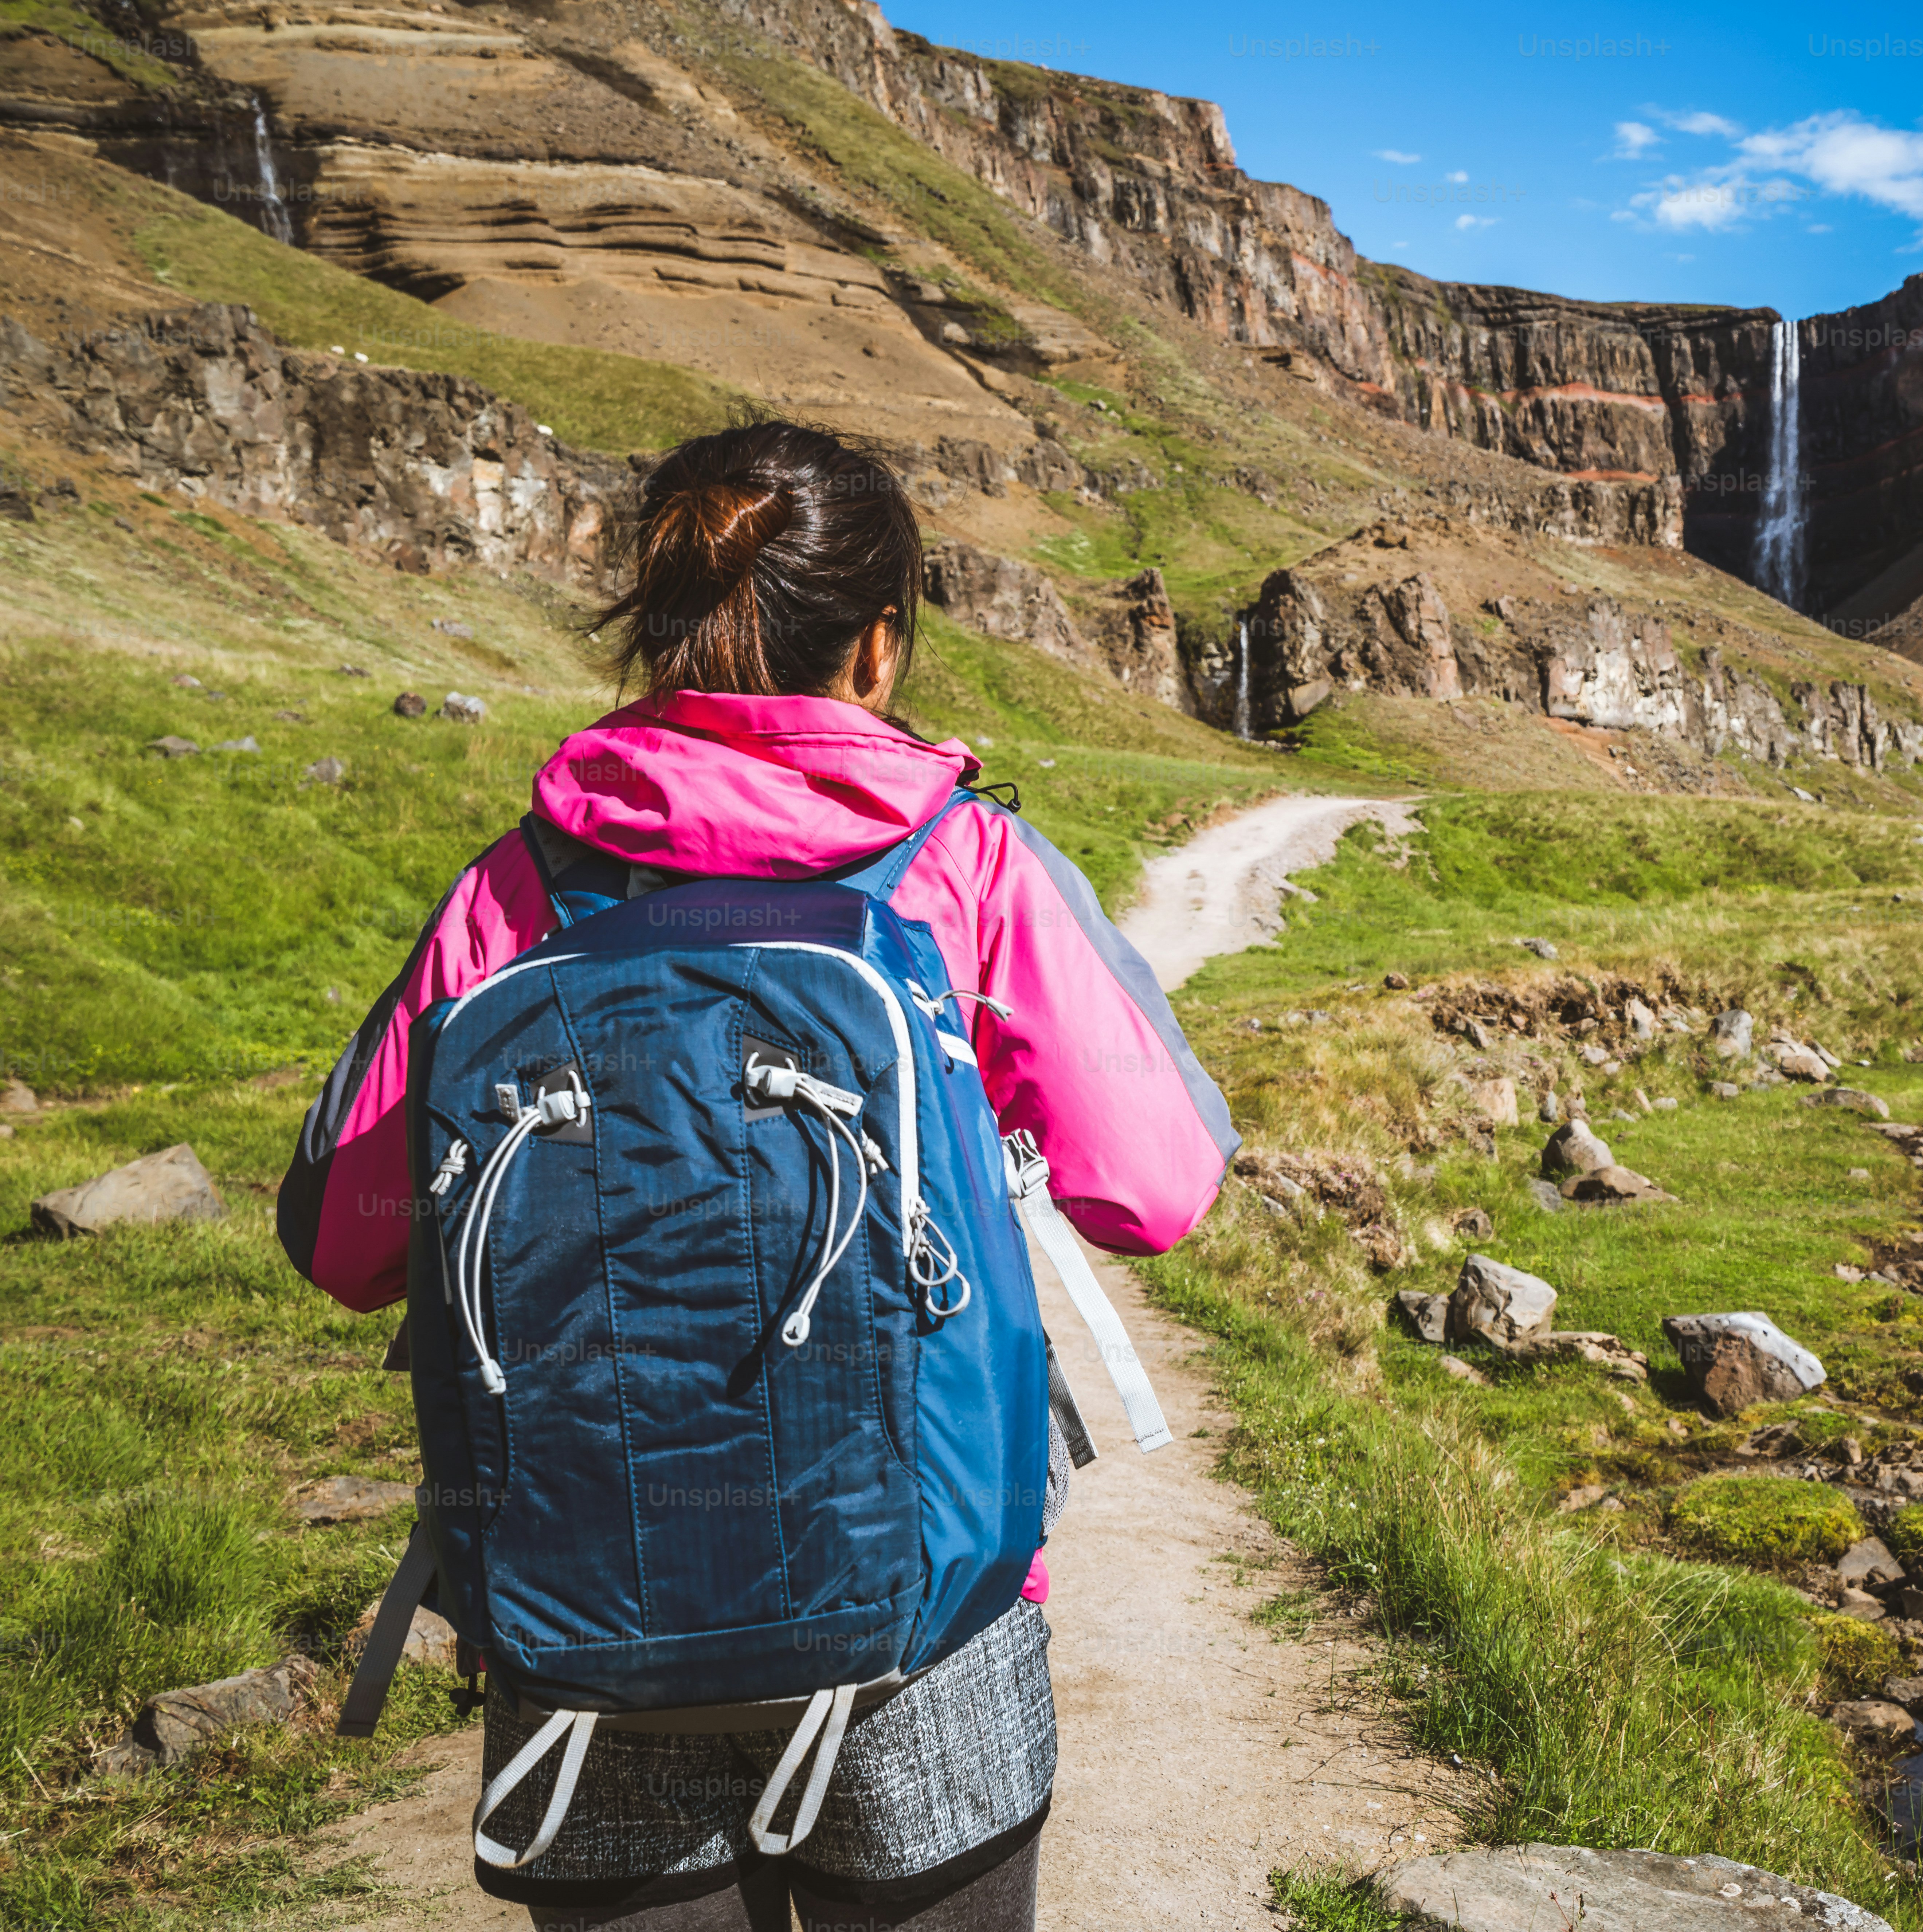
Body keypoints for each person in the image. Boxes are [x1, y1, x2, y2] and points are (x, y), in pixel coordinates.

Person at [279, 419, 1237, 1932]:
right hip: (922, 1619)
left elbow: (345, 1239)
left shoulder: (515, 886)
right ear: (876, 646)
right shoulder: (969, 865)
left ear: (659, 634)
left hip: (581, 1607)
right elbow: (1158, 1187)